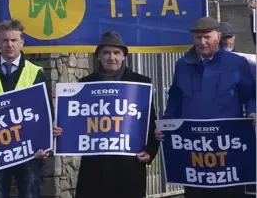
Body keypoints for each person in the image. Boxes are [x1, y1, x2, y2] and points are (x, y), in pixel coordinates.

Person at [155, 17, 256, 198]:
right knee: (195, 193)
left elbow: (249, 95)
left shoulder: (237, 63)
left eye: (206, 37)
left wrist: (252, 111)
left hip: (227, 146)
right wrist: (165, 123)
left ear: (218, 36)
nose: (202, 42)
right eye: (197, 37)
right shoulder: (182, 65)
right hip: (193, 149)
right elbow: (175, 98)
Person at [0, 19, 54, 198]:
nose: (9, 45)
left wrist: (45, 143)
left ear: (22, 43)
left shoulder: (35, 72)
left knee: (30, 192)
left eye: (14, 40)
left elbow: (47, 113)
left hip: (29, 151)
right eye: (5, 40)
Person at [75, 31, 160, 198]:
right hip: (94, 169)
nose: (111, 57)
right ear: (98, 56)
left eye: (116, 53)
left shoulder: (140, 83)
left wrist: (150, 151)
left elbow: (150, 121)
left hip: (129, 167)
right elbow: (77, 122)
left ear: (123, 56)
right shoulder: (85, 84)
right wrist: (62, 131)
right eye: (106, 53)